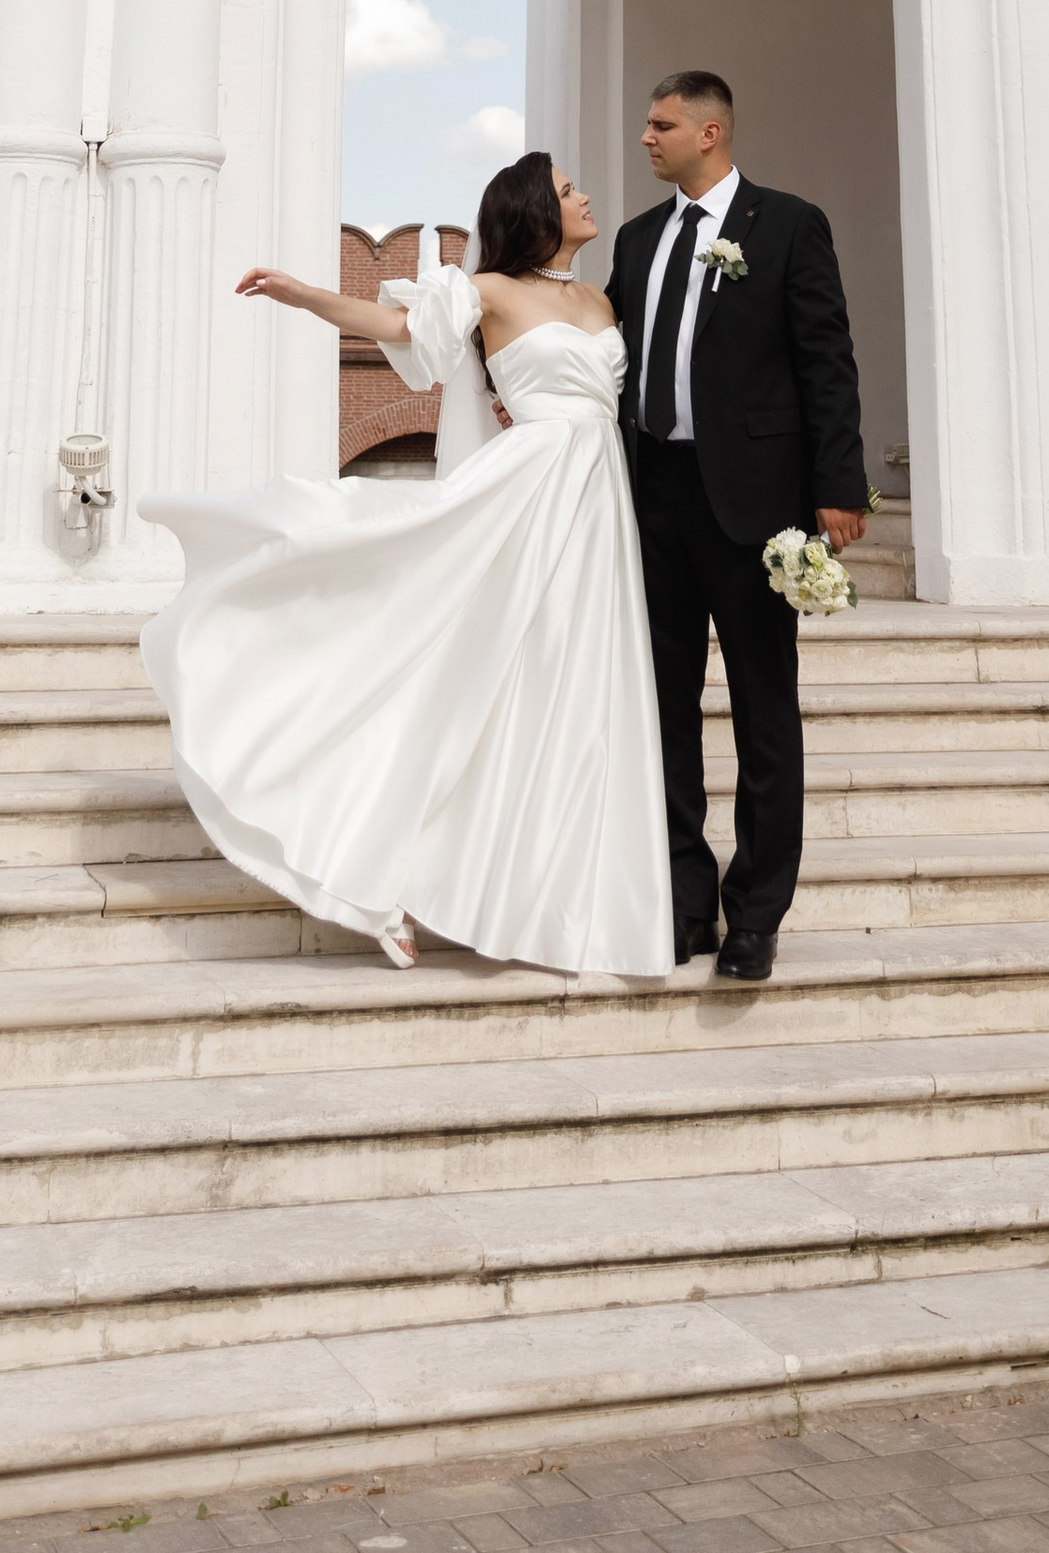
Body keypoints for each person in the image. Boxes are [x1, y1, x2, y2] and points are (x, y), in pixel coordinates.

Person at [138, 150, 671, 978]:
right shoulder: (488, 289)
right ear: (536, 209)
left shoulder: (602, 298)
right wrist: (300, 293)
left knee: (570, 685)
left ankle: (562, 900)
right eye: (569, 191)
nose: (587, 196)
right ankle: (374, 870)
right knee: (467, 670)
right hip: (525, 491)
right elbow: (397, 329)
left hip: (600, 504)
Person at [610, 69, 868, 985]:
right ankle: (687, 901)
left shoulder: (788, 225)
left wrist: (840, 487)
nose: (647, 137)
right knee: (665, 709)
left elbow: (825, 361)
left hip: (755, 507)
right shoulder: (640, 241)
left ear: (710, 133)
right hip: (655, 501)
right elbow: (613, 359)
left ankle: (757, 912)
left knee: (765, 712)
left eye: (661, 124)